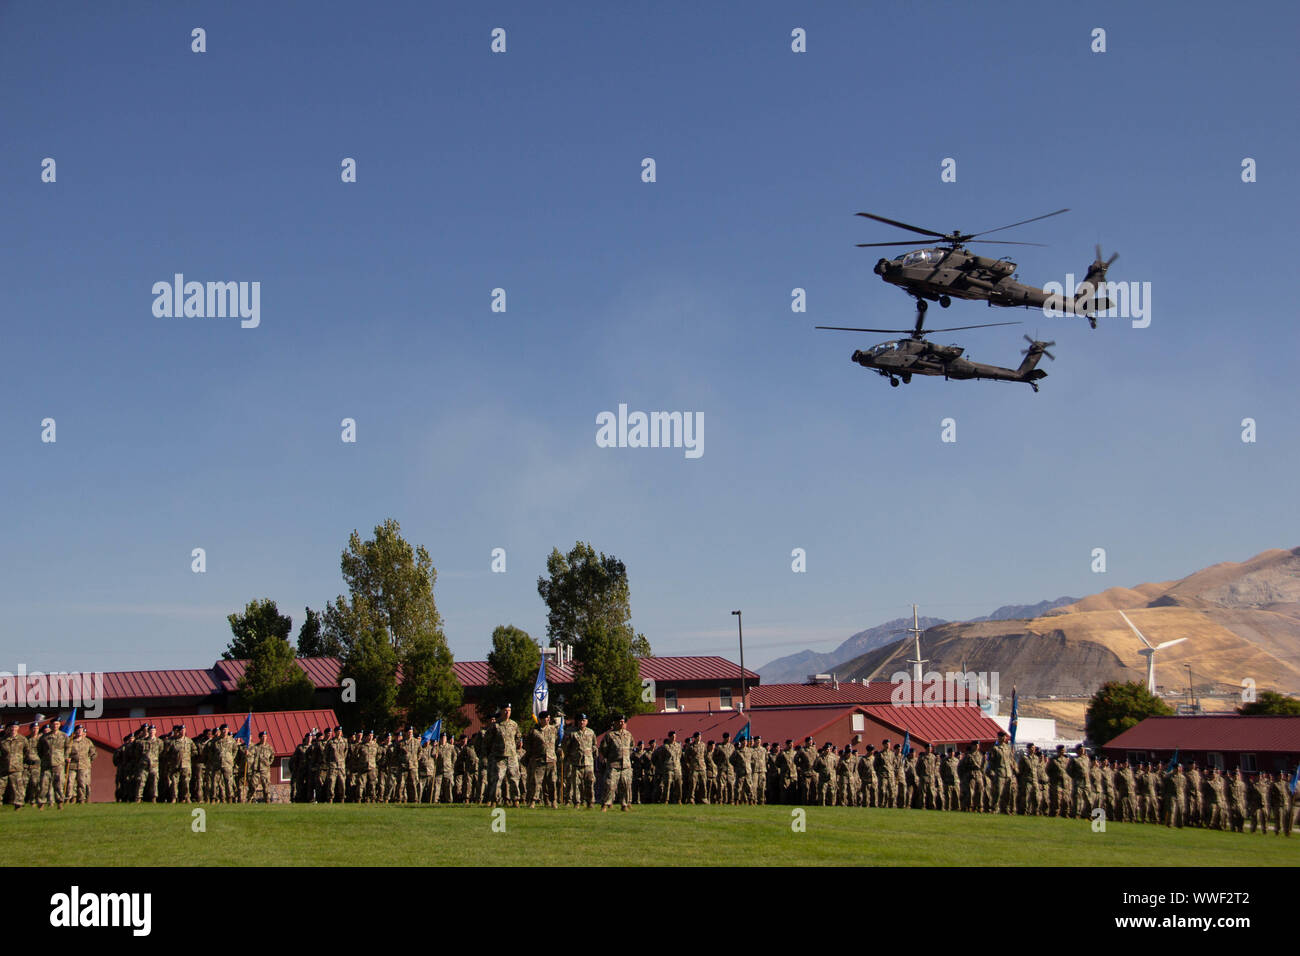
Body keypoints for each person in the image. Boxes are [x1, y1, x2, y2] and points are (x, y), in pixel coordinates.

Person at [600, 715, 634, 811]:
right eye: (619, 721)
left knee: (625, 785)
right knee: (609, 785)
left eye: (623, 721)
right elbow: (603, 749)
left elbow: (631, 747)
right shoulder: (610, 735)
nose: (621, 723)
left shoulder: (628, 735)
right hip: (613, 764)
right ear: (615, 723)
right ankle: (605, 804)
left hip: (626, 765)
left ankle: (624, 804)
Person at [66, 725, 97, 804]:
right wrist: (67, 758)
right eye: (78, 730)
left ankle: (82, 799)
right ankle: (70, 797)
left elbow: (93, 752)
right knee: (70, 782)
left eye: (81, 730)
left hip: (84, 765)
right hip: (72, 765)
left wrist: (89, 760)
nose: (80, 732)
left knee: (82, 782)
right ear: (75, 731)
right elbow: (66, 752)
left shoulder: (87, 741)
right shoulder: (71, 741)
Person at [247, 731, 274, 802]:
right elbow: (251, 754)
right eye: (262, 737)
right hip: (256, 770)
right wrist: (247, 753)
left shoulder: (269, 748)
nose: (264, 738)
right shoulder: (255, 747)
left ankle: (267, 801)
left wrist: (268, 764)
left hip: (265, 771)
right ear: (260, 738)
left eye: (265, 736)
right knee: (253, 786)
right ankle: (249, 800)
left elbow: (272, 757)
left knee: (266, 786)